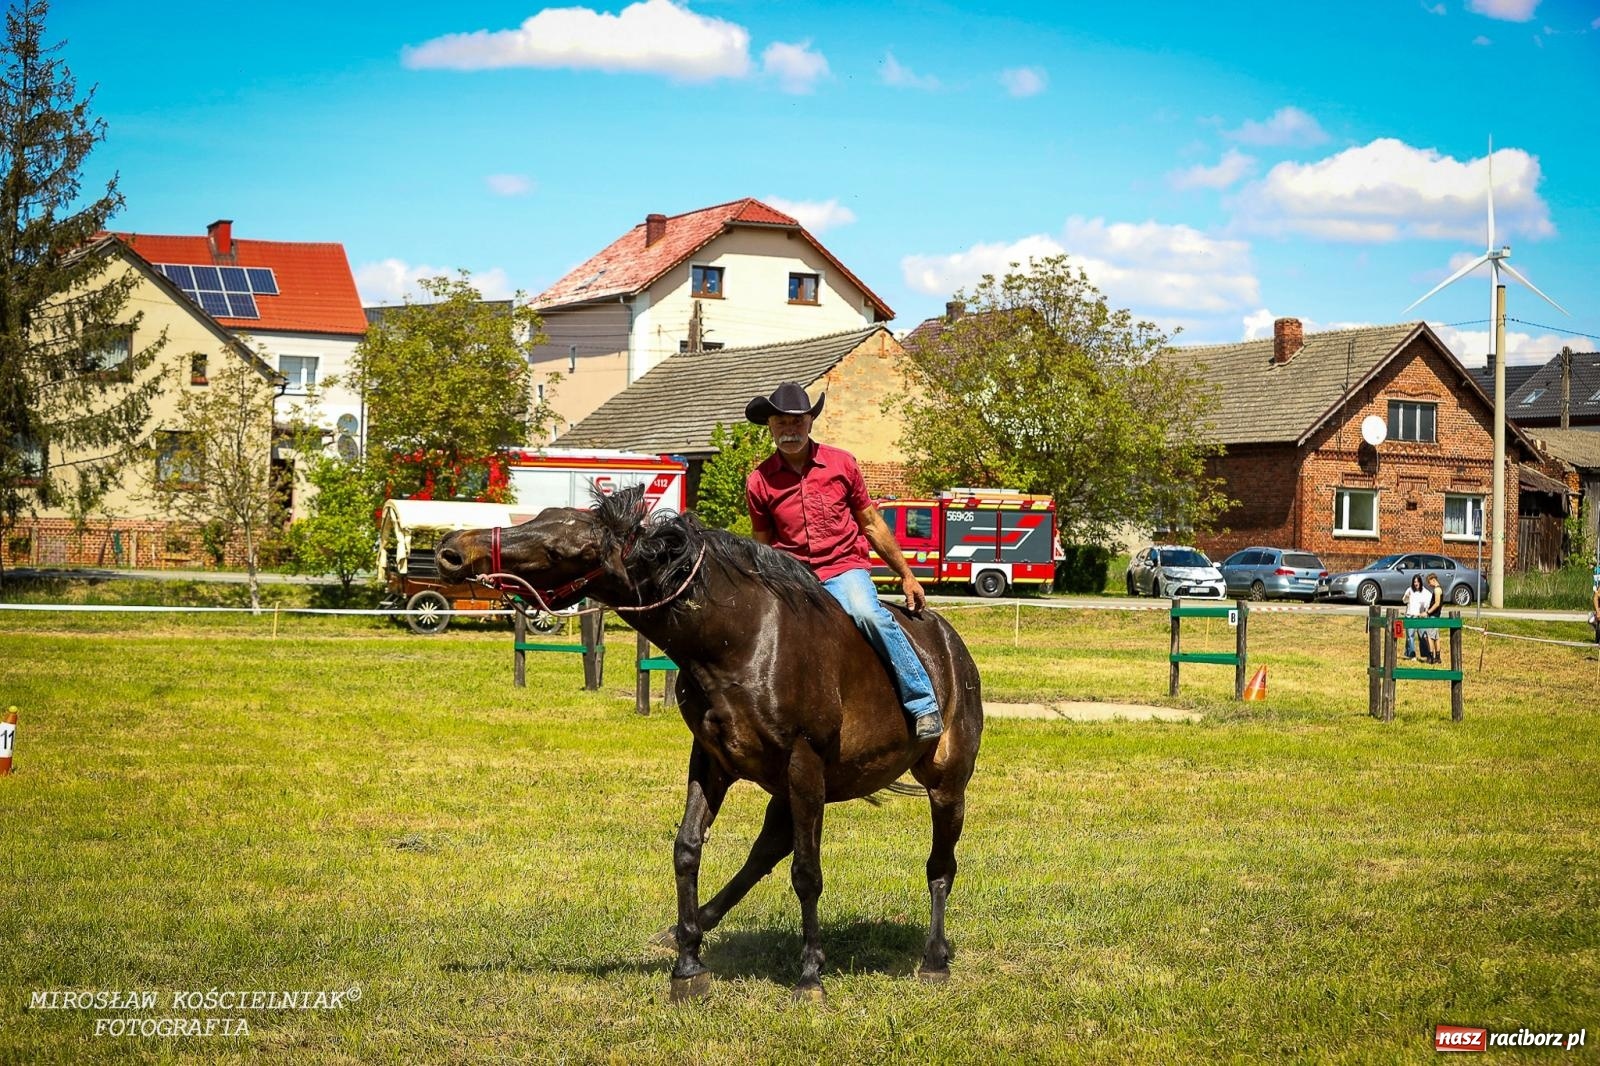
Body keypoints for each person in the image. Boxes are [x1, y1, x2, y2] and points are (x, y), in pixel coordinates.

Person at [743, 382, 943, 741]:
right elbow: (763, 546)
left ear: (810, 422)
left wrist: (907, 575)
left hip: (842, 567)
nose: (790, 430)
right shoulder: (759, 481)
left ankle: (922, 702)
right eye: (781, 423)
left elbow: (871, 524)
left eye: (796, 421)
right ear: (770, 427)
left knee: (868, 614)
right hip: (792, 577)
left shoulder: (841, 464)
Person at [1403, 574, 1429, 660]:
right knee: (1410, 636)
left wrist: (1425, 612)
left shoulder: (1424, 592)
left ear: (1420, 582)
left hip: (1420, 616)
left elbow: (1427, 604)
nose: (1416, 583)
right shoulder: (1409, 590)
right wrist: (1407, 596)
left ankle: (1425, 654)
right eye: (1414, 582)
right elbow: (1404, 601)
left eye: (1417, 581)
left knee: (1422, 636)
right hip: (1410, 616)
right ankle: (1411, 654)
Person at [1423, 573, 1445, 664]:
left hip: (1433, 615)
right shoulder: (1439, 589)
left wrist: (1428, 612)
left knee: (1430, 637)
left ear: (1433, 580)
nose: (1429, 585)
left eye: (1429, 582)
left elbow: (1437, 603)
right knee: (1436, 637)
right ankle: (1438, 657)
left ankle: (1431, 657)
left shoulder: (1437, 590)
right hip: (1436, 615)